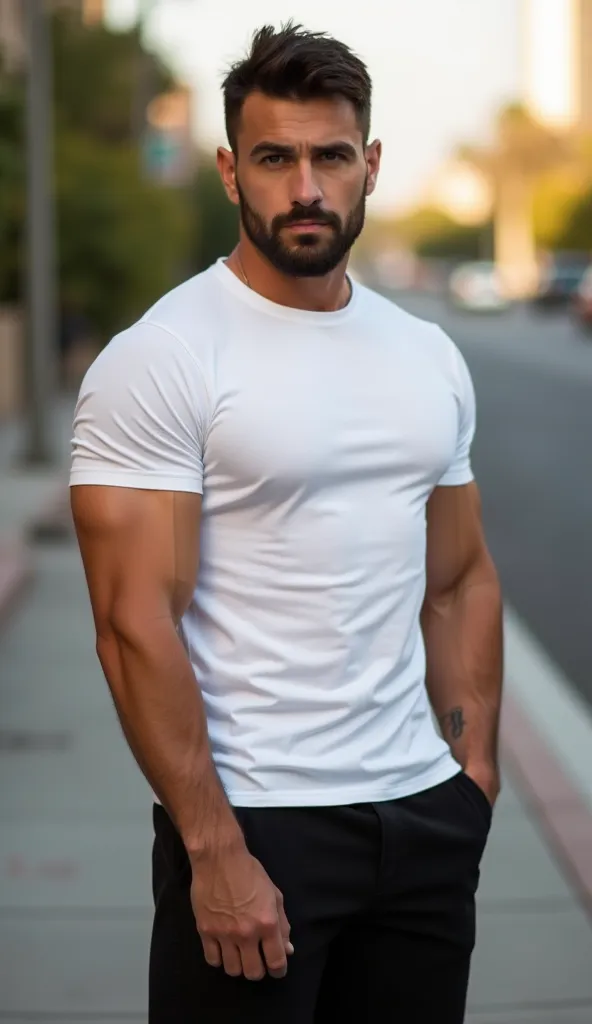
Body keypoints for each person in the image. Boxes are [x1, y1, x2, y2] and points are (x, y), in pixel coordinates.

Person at [69, 21, 503, 1024]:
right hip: (256, 825)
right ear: (230, 171)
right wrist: (212, 848)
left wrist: (469, 779)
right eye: (275, 158)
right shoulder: (168, 355)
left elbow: (459, 576)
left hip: (421, 821)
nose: (305, 189)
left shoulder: (426, 353)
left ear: (370, 165)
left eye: (330, 157)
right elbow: (135, 621)